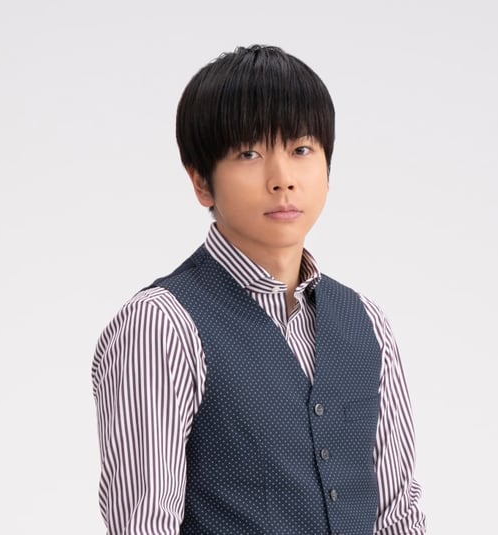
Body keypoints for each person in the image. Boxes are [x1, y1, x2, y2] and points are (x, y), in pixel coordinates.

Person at [91, 44, 426, 535]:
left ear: (328, 169)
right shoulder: (161, 324)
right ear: (201, 182)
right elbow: (144, 524)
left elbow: (398, 515)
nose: (282, 179)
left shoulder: (366, 322)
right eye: (249, 153)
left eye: (301, 150)